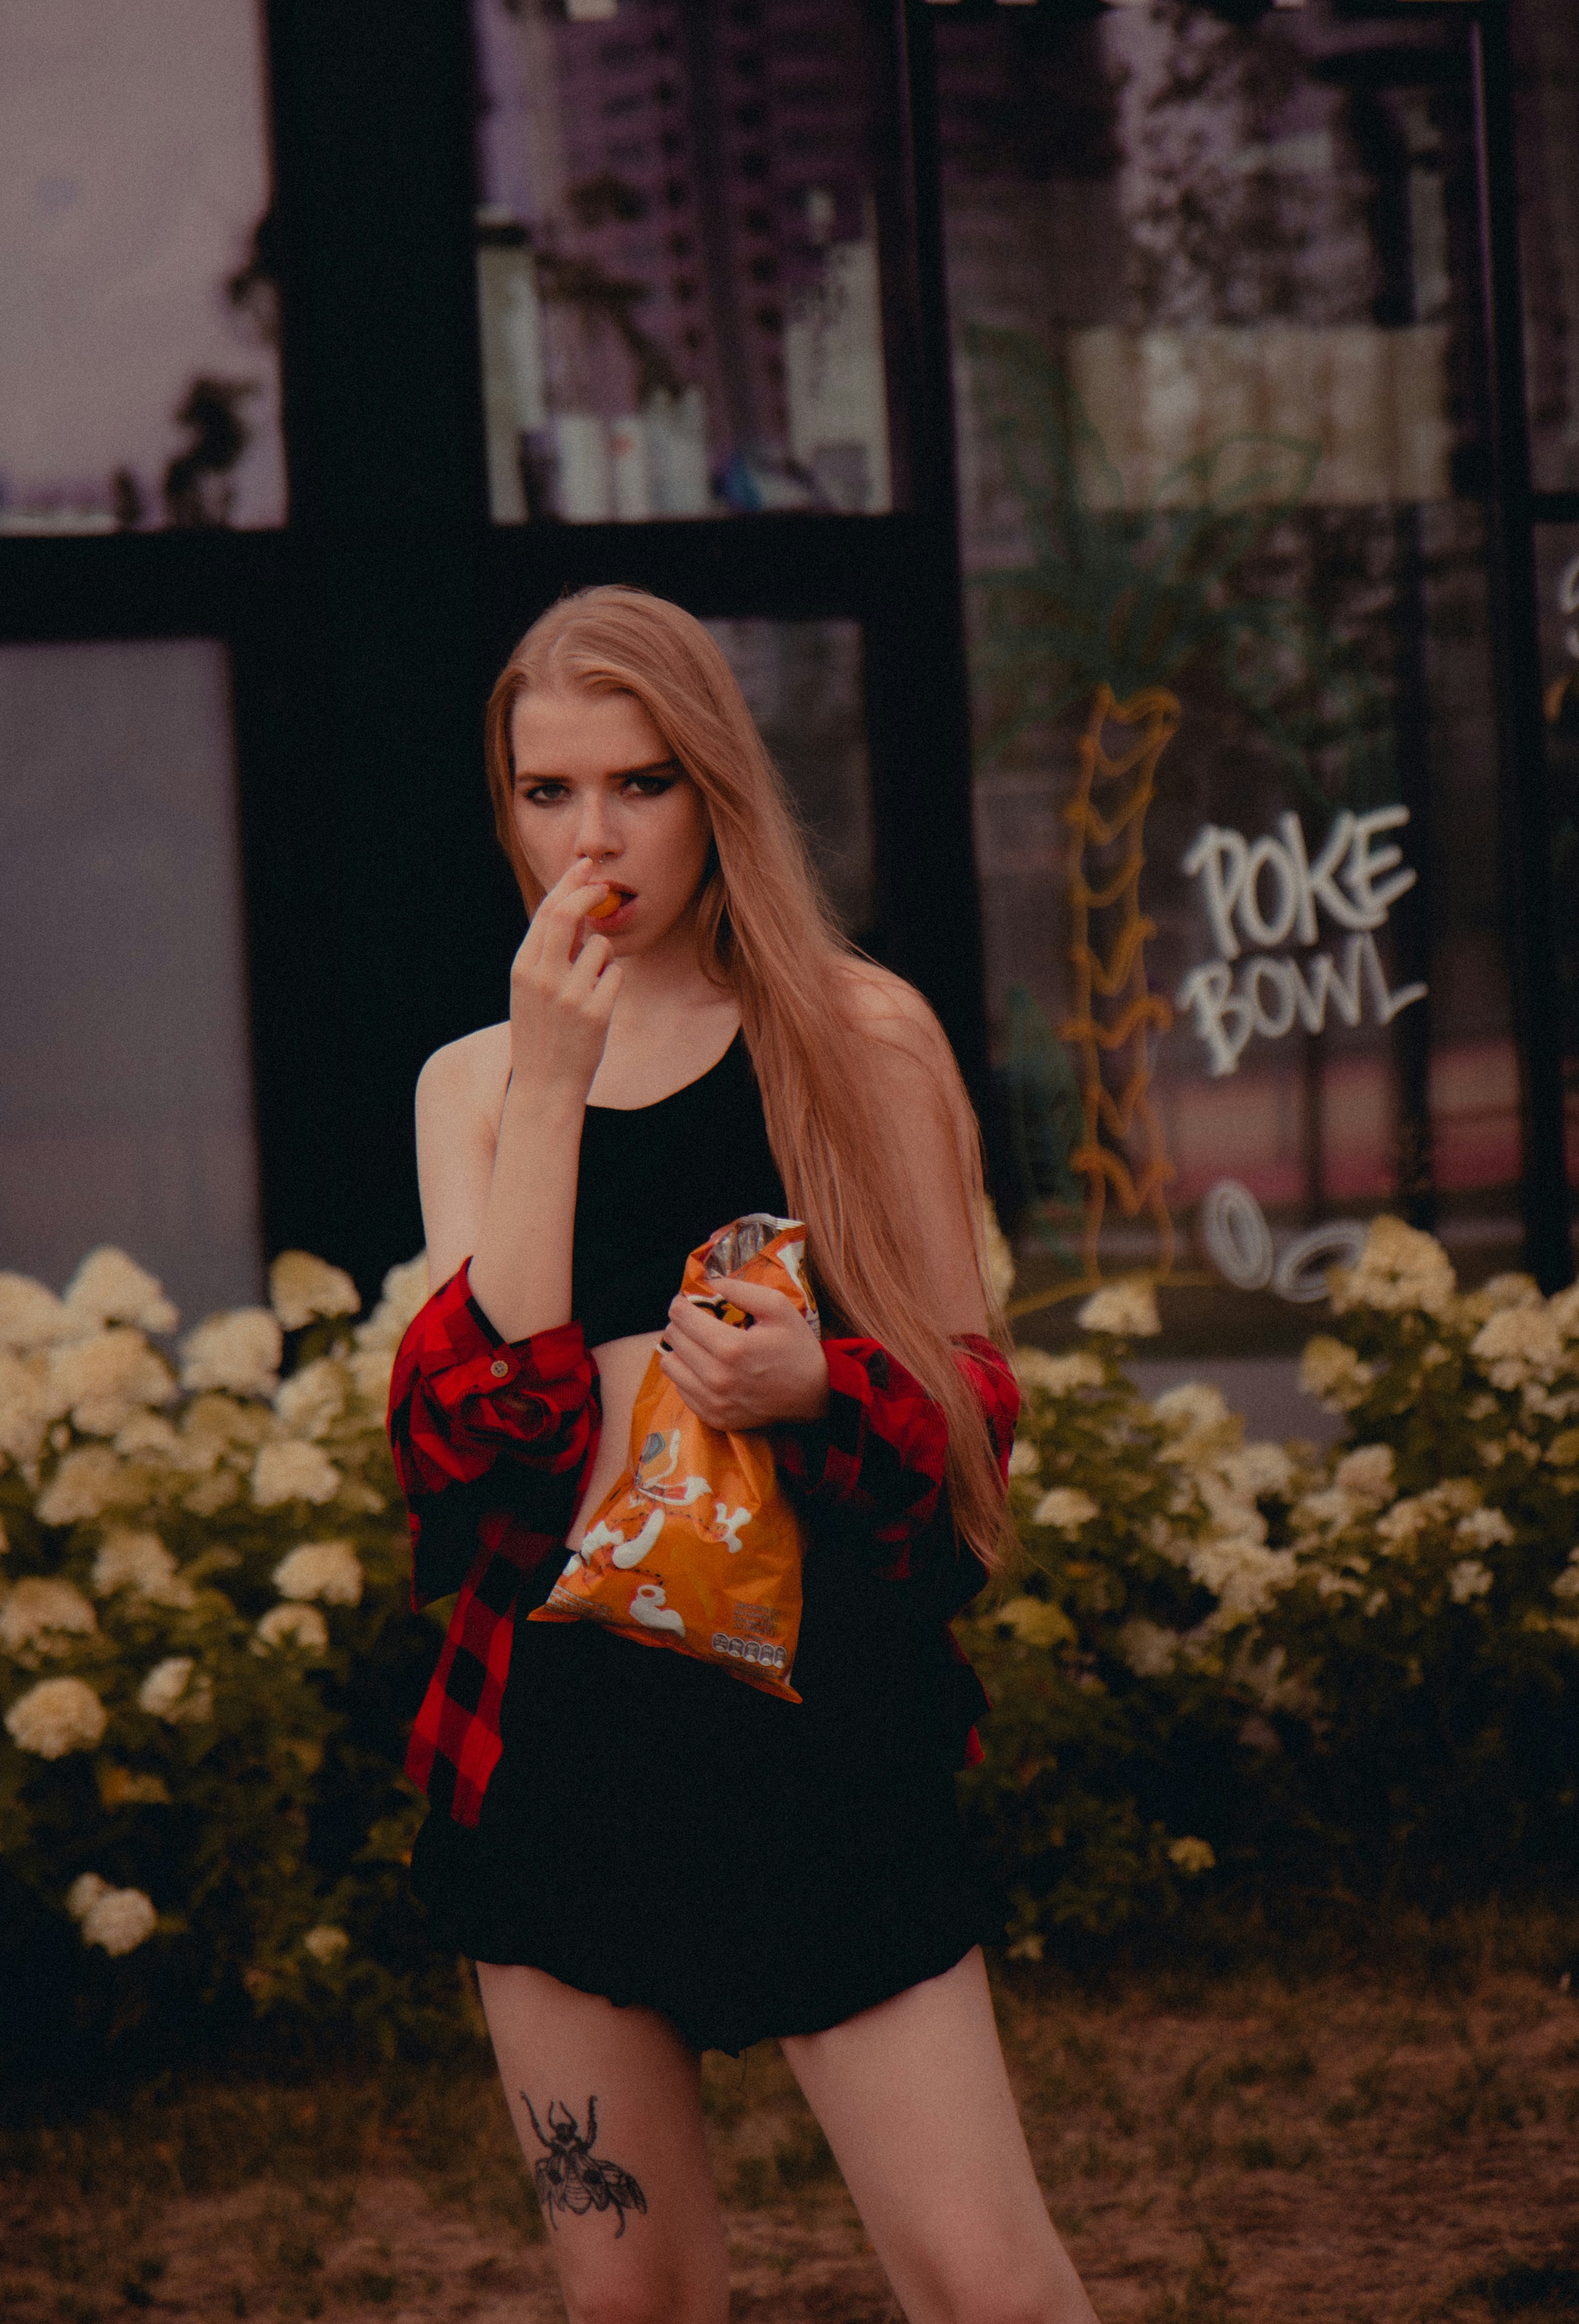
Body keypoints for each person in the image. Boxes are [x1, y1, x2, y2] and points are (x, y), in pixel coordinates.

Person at [388, 587, 1098, 2324]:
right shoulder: (476, 1082)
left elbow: (973, 1424)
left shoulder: (860, 1037)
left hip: (820, 1735)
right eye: (545, 793)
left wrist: (822, 1387)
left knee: (983, 2276)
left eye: (638, 784)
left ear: (715, 788)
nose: (593, 839)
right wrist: (554, 1078)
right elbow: (489, 1450)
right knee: (633, 2303)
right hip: (558, 1756)